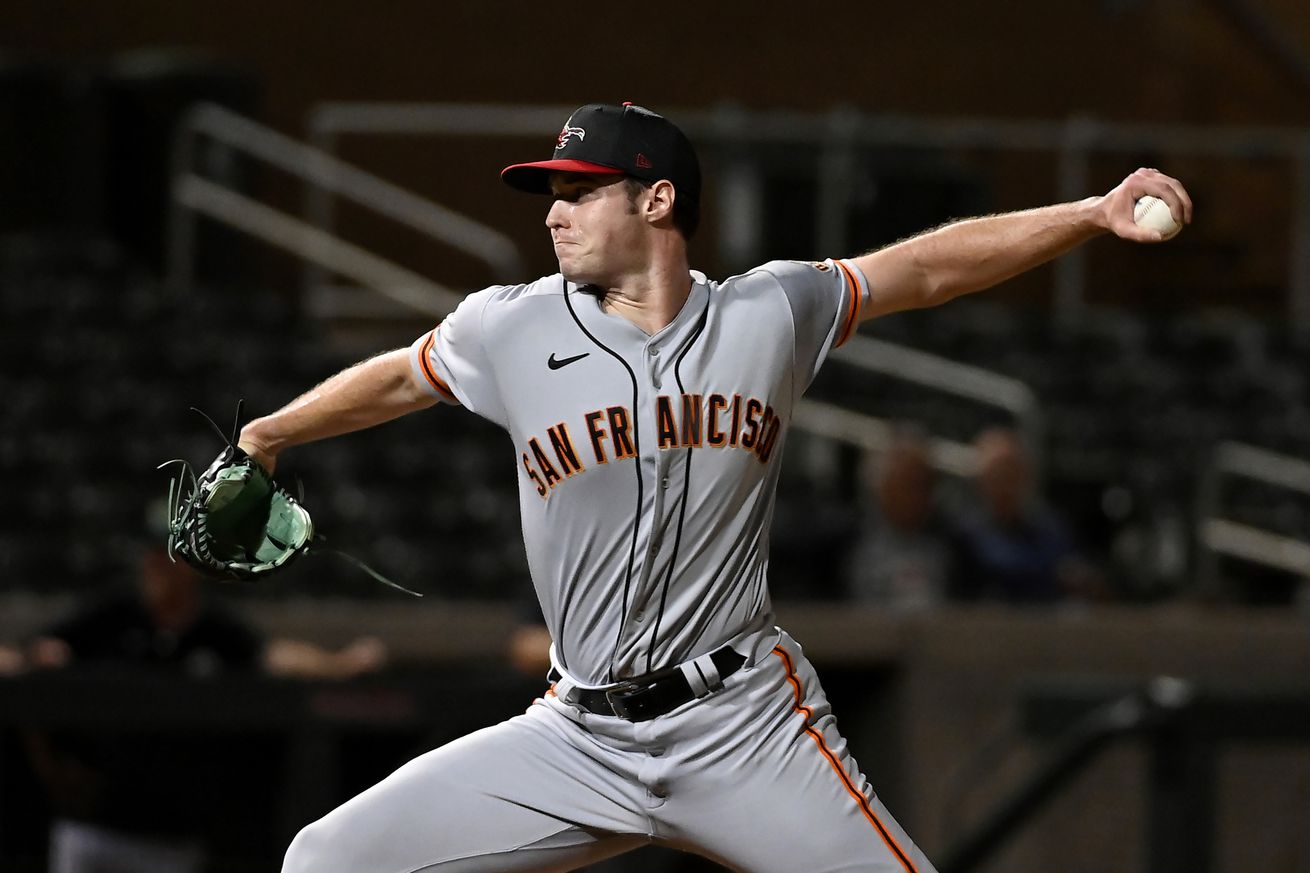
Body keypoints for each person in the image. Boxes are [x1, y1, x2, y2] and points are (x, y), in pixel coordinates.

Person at [233, 102, 1191, 872]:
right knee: (327, 858)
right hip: (577, 734)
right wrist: (271, 432)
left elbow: (929, 267)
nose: (553, 210)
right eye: (551, 191)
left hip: (744, 725)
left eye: (580, 188)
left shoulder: (770, 311)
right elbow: (403, 375)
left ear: (656, 202)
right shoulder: (508, 326)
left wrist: (1086, 213)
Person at [22, 538, 387, 873]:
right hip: (93, 827)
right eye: (155, 561)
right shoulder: (113, 614)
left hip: (171, 836)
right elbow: (38, 656)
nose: (162, 572)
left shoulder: (215, 628)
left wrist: (339, 665)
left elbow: (272, 656)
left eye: (173, 561)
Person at [953, 426, 1103, 603]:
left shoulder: (1052, 528)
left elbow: (1075, 572)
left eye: (1011, 473)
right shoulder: (963, 535)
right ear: (980, 481)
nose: (1005, 484)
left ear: (1025, 476)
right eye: (997, 475)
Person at [844, 428, 960, 610]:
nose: (918, 496)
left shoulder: (957, 547)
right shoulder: (847, 544)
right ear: (881, 488)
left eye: (925, 484)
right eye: (908, 484)